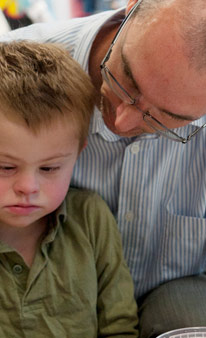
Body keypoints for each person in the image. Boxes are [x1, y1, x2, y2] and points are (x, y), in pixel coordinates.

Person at [3, 0, 206, 338]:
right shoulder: (17, 70)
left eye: (167, 117)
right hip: (50, 287)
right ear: (135, 0)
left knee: (188, 312)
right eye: (125, 78)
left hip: (176, 286)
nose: (122, 120)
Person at [0, 40, 138, 337]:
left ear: (78, 153)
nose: (27, 187)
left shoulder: (91, 218)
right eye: (5, 167)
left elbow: (119, 326)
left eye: (49, 168)